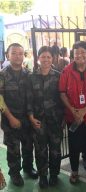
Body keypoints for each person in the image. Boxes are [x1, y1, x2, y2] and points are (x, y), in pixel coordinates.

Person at [59, 41, 86, 185]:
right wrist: (74, 111)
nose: (80, 55)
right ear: (72, 54)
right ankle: (74, 171)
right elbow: (62, 93)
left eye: (83, 52)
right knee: (74, 146)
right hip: (73, 118)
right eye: (77, 52)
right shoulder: (66, 71)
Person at [0, 43, 38, 186]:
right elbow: (0, 98)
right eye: (14, 53)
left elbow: (32, 97)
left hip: (27, 119)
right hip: (10, 119)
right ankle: (15, 173)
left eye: (20, 53)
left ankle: (28, 168)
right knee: (13, 149)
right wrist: (10, 118)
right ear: (7, 55)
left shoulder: (28, 74)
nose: (17, 56)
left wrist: (31, 116)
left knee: (28, 146)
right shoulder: (2, 75)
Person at [27, 46, 64, 188]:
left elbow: (63, 99)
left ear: (52, 58)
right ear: (38, 58)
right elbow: (28, 99)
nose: (46, 59)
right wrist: (30, 117)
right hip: (38, 121)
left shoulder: (58, 76)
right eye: (43, 57)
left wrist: (64, 119)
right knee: (40, 150)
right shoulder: (31, 77)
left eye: (48, 57)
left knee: (55, 150)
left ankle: (54, 175)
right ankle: (43, 176)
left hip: (55, 121)